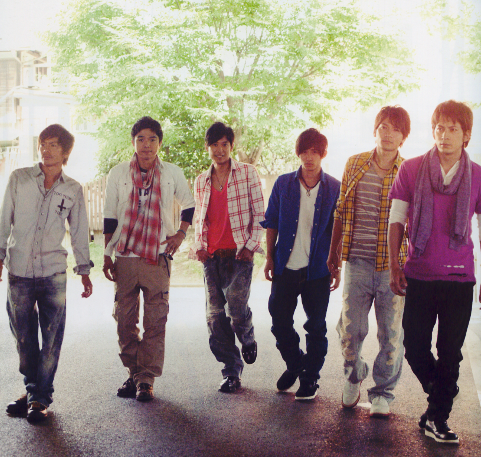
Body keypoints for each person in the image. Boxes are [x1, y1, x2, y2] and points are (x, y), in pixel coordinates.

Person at [389, 100, 479, 444]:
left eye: (452, 129)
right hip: (420, 273)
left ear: (466, 134)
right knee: (414, 346)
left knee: (450, 351)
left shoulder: (478, 176)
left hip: (459, 278)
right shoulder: (411, 169)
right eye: (439, 128)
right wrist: (395, 264)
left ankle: (437, 418)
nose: (444, 135)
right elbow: (397, 219)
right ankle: (442, 390)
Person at [0, 124, 93, 423]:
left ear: (65, 151)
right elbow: (4, 220)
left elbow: (79, 231)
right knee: (23, 339)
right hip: (19, 271)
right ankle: (33, 392)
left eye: (53, 144)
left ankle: (39, 399)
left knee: (51, 339)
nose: (46, 149)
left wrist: (84, 270)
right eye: (43, 143)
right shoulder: (19, 178)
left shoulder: (73, 189)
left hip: (53, 272)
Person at [103, 116, 195, 402]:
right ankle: (134, 372)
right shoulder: (118, 173)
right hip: (125, 255)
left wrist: (180, 234)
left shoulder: (172, 173)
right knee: (124, 320)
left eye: (152, 139)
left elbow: (189, 204)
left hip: (158, 255)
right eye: (140, 139)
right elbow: (110, 216)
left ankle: (146, 379)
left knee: (155, 320)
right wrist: (107, 254)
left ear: (159, 143)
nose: (146, 145)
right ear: (133, 142)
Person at [326, 106, 410, 416]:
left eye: (395, 129)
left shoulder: (408, 171)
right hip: (357, 262)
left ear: (403, 137)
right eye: (383, 127)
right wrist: (333, 254)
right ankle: (353, 375)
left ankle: (383, 392)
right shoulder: (355, 164)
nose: (388, 133)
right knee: (351, 330)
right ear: (375, 131)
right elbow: (340, 210)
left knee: (391, 333)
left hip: (393, 265)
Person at [261, 128, 340, 400]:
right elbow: (271, 221)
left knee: (316, 326)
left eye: (315, 152)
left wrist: (336, 264)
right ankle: (296, 363)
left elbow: (339, 228)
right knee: (279, 321)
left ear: (323, 154)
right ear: (298, 153)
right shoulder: (283, 184)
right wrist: (269, 257)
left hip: (317, 268)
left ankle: (309, 378)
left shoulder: (334, 187)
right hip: (286, 265)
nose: (309, 157)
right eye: (304, 151)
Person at [191, 122, 264, 393]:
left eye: (224, 144)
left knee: (236, 309)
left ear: (232, 146)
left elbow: (260, 214)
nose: (219, 150)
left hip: (239, 255)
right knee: (214, 317)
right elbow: (200, 218)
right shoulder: (201, 180)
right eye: (214, 145)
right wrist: (199, 246)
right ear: (207, 147)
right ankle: (231, 370)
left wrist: (251, 246)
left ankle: (247, 338)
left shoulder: (247, 173)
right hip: (211, 257)